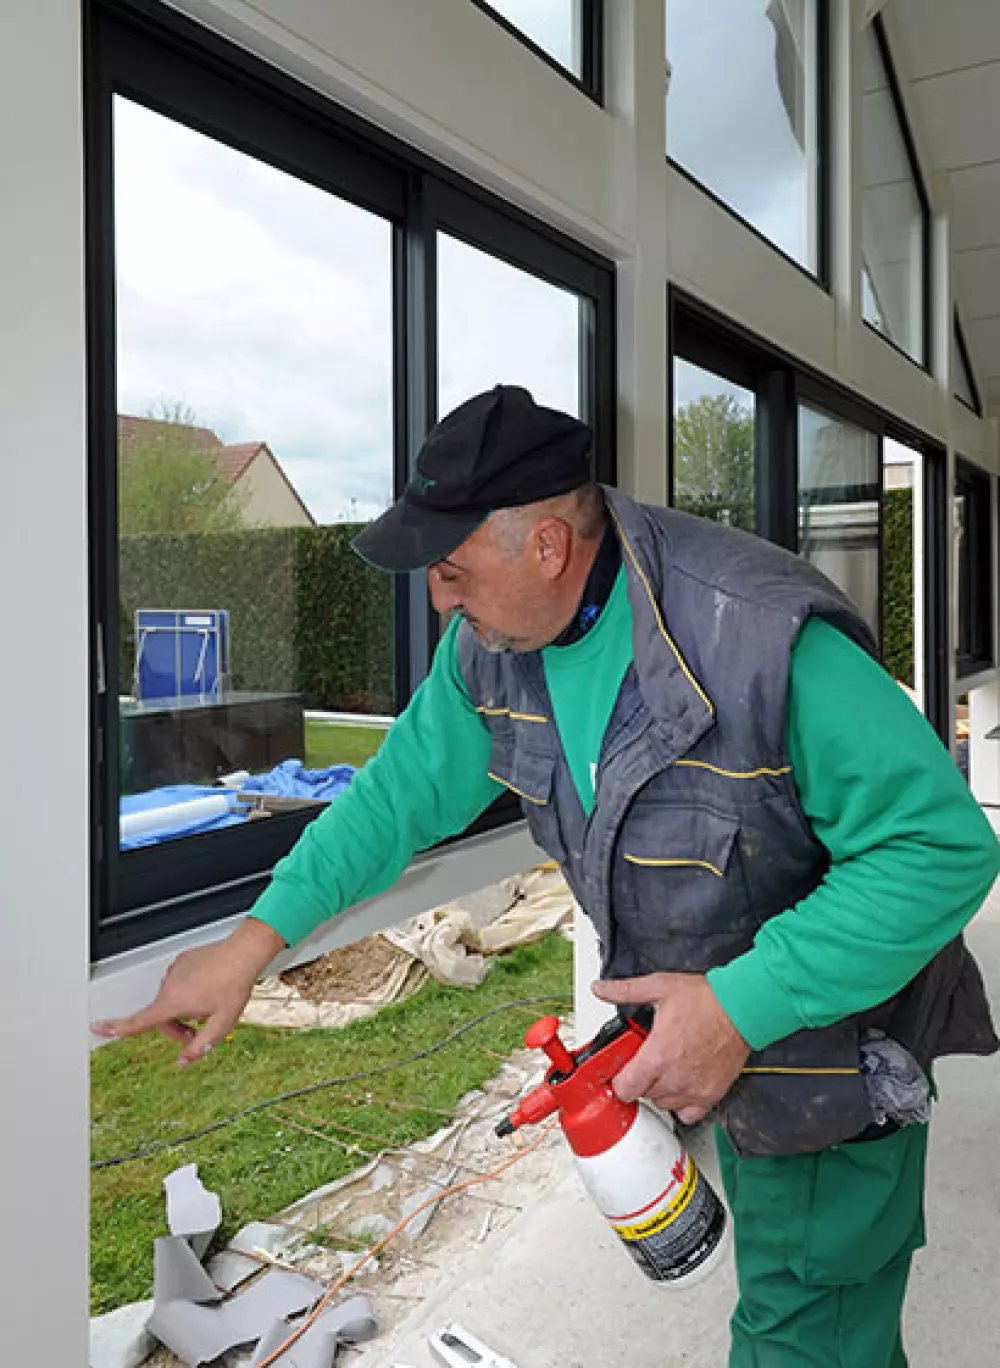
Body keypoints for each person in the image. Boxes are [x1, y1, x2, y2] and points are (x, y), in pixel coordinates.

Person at [95, 385, 1000, 1367]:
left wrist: (739, 1005)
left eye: (450, 569)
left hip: (831, 1053)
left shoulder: (761, 640)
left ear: (548, 548)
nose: (437, 597)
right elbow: (393, 799)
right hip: (709, 1048)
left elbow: (940, 848)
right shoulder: (488, 652)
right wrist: (250, 946)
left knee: (809, 1332)